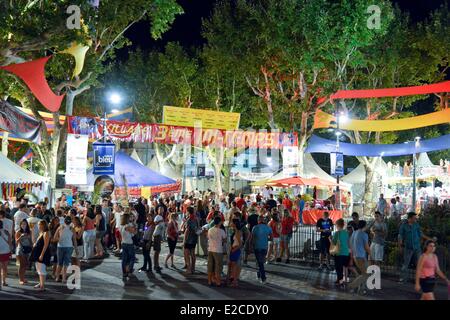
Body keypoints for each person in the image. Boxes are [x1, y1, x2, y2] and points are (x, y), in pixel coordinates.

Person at [398, 212, 434, 282]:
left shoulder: (416, 225)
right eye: (414, 218)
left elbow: (420, 234)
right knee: (406, 264)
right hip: (408, 247)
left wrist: (429, 239)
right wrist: (400, 246)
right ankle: (403, 278)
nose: (415, 219)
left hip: (417, 247)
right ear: (410, 218)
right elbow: (400, 236)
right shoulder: (403, 226)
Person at [348, 220, 371, 293]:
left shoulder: (354, 233)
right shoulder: (364, 234)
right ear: (364, 226)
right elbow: (367, 247)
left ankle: (362, 288)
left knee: (363, 273)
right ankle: (352, 285)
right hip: (361, 256)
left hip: (355, 256)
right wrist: (371, 254)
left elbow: (350, 245)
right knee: (365, 274)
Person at [54, 216, 76, 282]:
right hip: (68, 247)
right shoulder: (72, 229)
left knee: (60, 263)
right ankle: (63, 278)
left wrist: (60, 238)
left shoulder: (60, 227)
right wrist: (76, 249)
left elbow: (55, 237)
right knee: (65, 264)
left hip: (61, 246)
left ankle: (58, 277)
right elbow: (74, 240)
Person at [30, 220, 51, 291]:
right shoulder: (41, 232)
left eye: (39, 225)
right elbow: (36, 242)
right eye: (38, 225)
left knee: (42, 270)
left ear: (43, 225)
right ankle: (41, 283)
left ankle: (42, 286)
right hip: (37, 253)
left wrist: (42, 255)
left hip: (42, 253)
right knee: (39, 269)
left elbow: (46, 245)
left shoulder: (46, 233)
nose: (38, 226)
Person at [252, 215, 273, 284]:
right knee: (261, 262)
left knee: (259, 262)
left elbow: (252, 238)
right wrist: (265, 238)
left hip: (256, 247)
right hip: (264, 247)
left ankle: (263, 277)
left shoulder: (255, 228)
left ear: (258, 220)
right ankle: (260, 275)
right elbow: (271, 238)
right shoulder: (268, 228)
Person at [207, 216, 227, 286]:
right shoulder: (221, 231)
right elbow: (225, 240)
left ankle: (209, 280)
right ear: (219, 222)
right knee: (218, 266)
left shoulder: (210, 230)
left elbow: (208, 238)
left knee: (210, 266)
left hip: (210, 249)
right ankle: (218, 281)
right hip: (218, 250)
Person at [331, 218, 350, 285]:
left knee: (339, 268)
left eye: (336, 225)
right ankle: (345, 280)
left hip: (339, 253)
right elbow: (348, 242)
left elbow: (333, 243)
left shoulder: (337, 233)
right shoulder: (346, 233)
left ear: (338, 225)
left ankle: (340, 280)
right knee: (345, 267)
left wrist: (330, 239)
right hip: (346, 252)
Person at [15, 219, 32, 285]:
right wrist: (21, 237)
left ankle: (23, 278)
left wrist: (32, 247)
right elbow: (16, 242)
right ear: (20, 225)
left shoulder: (29, 231)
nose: (23, 225)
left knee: (25, 265)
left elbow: (31, 241)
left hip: (27, 249)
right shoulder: (18, 232)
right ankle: (20, 279)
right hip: (20, 249)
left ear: (27, 224)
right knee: (22, 265)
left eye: (25, 224)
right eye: (22, 224)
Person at [183, 207, 199, 275]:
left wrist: (184, 240)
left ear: (188, 212)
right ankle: (193, 268)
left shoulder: (189, 220)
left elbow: (187, 230)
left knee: (186, 253)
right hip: (194, 238)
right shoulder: (196, 219)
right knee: (193, 253)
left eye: (186, 211)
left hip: (189, 238)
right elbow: (198, 227)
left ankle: (189, 269)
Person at [120, 214, 137, 279]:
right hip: (129, 244)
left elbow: (131, 234)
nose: (130, 218)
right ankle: (129, 272)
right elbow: (134, 233)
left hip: (124, 243)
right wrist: (135, 227)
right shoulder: (127, 226)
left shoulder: (121, 226)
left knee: (124, 259)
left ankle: (124, 272)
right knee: (132, 258)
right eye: (129, 217)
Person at [227, 218, 243, 287]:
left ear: (234, 224)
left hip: (235, 250)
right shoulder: (236, 231)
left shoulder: (237, 232)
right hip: (235, 249)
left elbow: (240, 244)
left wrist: (233, 250)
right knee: (233, 266)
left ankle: (234, 282)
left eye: (232, 223)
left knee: (234, 266)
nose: (230, 223)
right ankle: (233, 280)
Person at [0, 220, 12, 287]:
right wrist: (10, 251)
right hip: (6, 252)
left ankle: (2, 281)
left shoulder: (5, 231)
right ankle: (3, 281)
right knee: (5, 268)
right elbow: (10, 242)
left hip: (2, 252)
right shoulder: (6, 231)